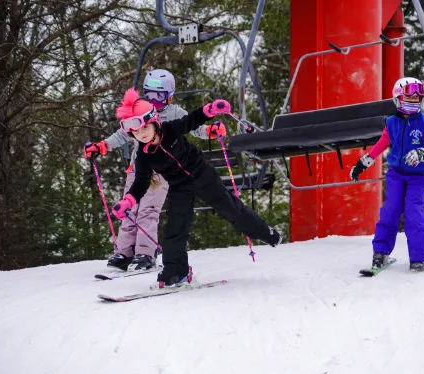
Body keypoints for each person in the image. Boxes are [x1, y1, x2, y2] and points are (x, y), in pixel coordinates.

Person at [111, 88, 282, 288]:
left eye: (143, 129)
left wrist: (211, 109)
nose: (140, 135)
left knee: (233, 211)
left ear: (154, 123)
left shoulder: (171, 129)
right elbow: (141, 182)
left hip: (203, 175)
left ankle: (267, 232)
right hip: (179, 187)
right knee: (175, 229)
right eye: (135, 132)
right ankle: (176, 272)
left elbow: (192, 119)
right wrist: (128, 201)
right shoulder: (143, 155)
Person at [84, 69, 211, 272]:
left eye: (159, 96)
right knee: (129, 209)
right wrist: (102, 146)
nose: (154, 101)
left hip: (161, 171)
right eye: (150, 95)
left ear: (169, 95)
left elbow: (194, 127)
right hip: (137, 168)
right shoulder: (140, 112)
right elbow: (122, 134)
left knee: (148, 211)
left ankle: (145, 252)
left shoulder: (176, 113)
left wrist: (209, 131)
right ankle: (124, 252)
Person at [349, 77, 424, 272]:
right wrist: (362, 163)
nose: (414, 103)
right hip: (396, 174)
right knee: (390, 211)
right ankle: (380, 252)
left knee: (413, 213)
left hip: (417, 177)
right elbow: (380, 146)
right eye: (409, 98)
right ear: (398, 99)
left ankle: (418, 258)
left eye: (417, 99)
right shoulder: (391, 123)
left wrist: (421, 153)